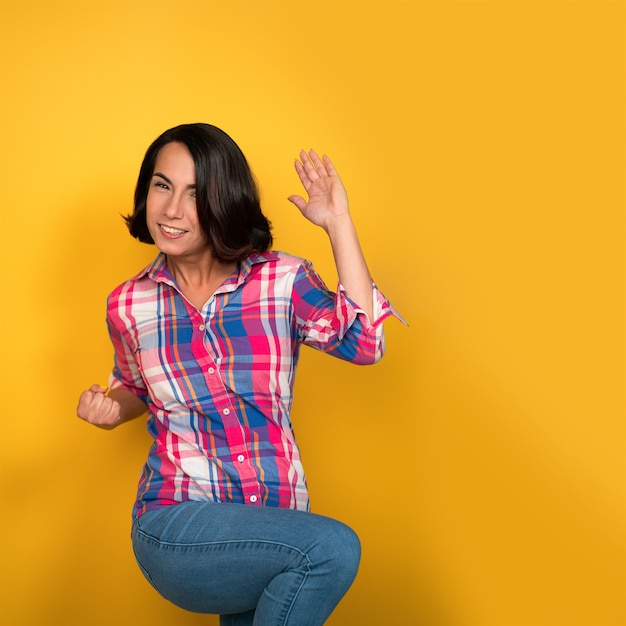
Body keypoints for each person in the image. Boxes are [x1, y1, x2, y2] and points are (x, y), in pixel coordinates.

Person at [77, 123, 403, 625]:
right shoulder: (128, 304)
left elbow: (364, 344)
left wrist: (338, 222)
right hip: (176, 519)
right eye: (162, 186)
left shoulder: (281, 281)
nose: (172, 210)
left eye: (196, 193)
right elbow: (135, 386)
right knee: (331, 548)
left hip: (276, 519)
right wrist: (110, 407)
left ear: (224, 201)